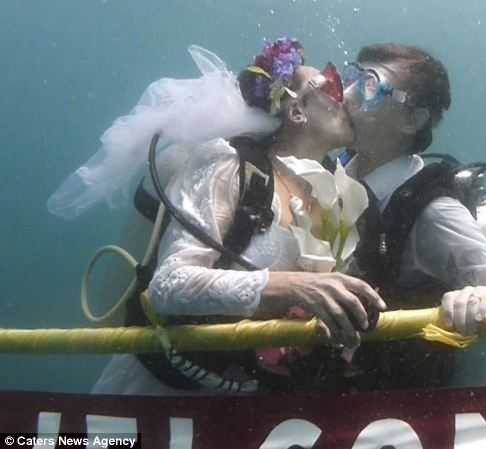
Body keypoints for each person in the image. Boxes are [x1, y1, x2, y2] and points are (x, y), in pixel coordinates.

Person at [49, 38, 385, 396]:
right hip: (161, 398)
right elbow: (169, 284)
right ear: (297, 111)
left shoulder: (338, 192)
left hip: (257, 407)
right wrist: (295, 287)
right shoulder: (229, 168)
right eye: (330, 83)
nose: (346, 96)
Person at [338, 43, 486, 389]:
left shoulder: (432, 211)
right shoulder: (327, 178)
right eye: (350, 77)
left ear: (412, 119)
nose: (345, 94)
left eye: (369, 84)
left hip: (390, 404)